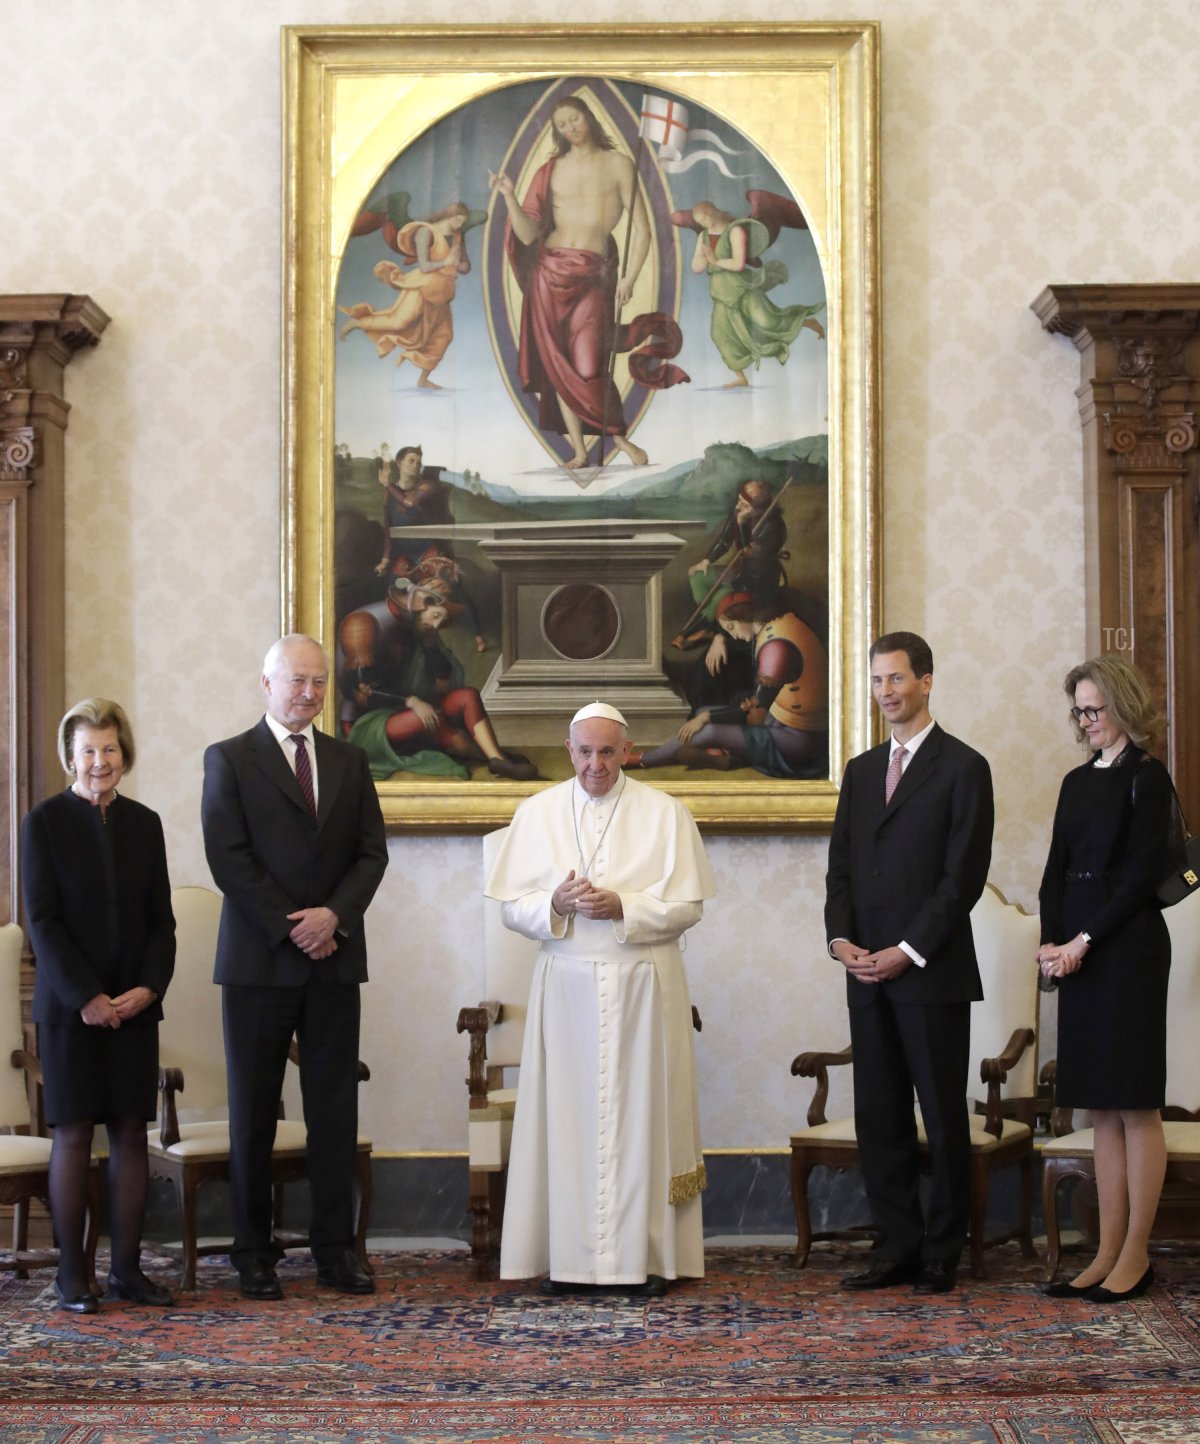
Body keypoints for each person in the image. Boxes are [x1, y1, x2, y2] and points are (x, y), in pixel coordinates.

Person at [486, 701, 715, 1295]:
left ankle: (645, 1259)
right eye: (585, 751)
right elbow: (512, 906)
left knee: (643, 1116)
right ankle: (568, 1260)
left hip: (644, 981)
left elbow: (689, 907)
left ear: (626, 750)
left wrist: (626, 907)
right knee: (565, 1118)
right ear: (569, 750)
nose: (596, 764)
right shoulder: (535, 812)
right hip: (564, 985)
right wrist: (553, 906)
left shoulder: (666, 814)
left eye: (607, 752)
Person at [201, 635, 388, 1301]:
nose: (309, 692)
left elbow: (371, 855)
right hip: (259, 963)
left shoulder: (350, 759)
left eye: (319, 681)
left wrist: (331, 918)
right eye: (297, 681)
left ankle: (336, 1251)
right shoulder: (228, 759)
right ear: (267, 683)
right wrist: (295, 928)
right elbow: (229, 860)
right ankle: (254, 1254)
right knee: (254, 1111)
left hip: (335, 959)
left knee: (333, 1109)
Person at [824, 632, 993, 1294]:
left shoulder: (962, 767)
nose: (886, 692)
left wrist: (907, 951)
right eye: (877, 681)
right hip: (865, 976)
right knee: (880, 1117)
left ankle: (942, 1252)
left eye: (897, 679)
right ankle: (895, 1247)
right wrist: (841, 942)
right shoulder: (862, 772)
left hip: (932, 974)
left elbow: (963, 879)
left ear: (925, 682)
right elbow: (839, 867)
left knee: (944, 1118)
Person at [21, 699, 176, 1314]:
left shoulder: (146, 823)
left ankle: (128, 1272)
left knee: (131, 1132)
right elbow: (44, 922)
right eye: (87, 749)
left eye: (109, 748)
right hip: (70, 1011)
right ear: (70, 757)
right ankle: (72, 1277)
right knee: (75, 1135)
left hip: (135, 1006)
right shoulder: (44, 823)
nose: (99, 761)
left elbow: (162, 923)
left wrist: (149, 988)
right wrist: (86, 997)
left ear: (125, 754)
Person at [1038, 654, 1174, 1303]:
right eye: (1079, 711)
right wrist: (1049, 942)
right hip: (1079, 954)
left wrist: (1081, 943)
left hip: (1129, 951)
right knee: (1100, 1108)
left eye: (1094, 708)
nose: (1086, 720)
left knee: (1134, 1104)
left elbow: (1142, 878)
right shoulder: (1074, 782)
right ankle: (1105, 1252)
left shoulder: (1149, 779)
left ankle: (1137, 1255)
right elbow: (1055, 870)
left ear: (1122, 705)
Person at [490, 95, 687, 469]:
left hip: (593, 277)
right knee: (558, 367)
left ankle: (619, 439)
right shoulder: (549, 170)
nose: (570, 129)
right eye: (561, 124)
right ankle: (580, 451)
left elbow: (643, 230)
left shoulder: (619, 164)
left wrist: (629, 277)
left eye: (574, 120)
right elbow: (529, 235)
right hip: (548, 276)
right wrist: (510, 197)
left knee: (587, 364)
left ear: (589, 118)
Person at [337, 588, 537, 780]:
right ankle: (495, 758)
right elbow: (361, 691)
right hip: (369, 722)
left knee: (468, 696)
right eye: (435, 616)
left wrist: (430, 646)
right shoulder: (364, 624)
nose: (435, 626)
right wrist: (411, 701)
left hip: (408, 709)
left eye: (441, 623)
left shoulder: (419, 634)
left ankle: (496, 758)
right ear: (419, 604)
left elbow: (443, 687)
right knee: (431, 718)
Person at [636, 590, 828, 779]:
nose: (732, 635)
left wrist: (705, 719)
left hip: (799, 742)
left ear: (744, 616)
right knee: (704, 712)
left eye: (731, 628)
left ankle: (642, 759)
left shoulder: (775, 648)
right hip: (779, 721)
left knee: (708, 727)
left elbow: (758, 709)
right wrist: (705, 715)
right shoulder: (778, 624)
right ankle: (726, 757)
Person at [682, 196, 825, 387]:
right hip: (720, 292)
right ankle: (741, 377)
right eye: (699, 223)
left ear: (712, 213)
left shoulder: (735, 231)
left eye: (703, 220)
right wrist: (703, 257)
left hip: (742, 288)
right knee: (720, 335)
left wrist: (714, 261)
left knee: (767, 321)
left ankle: (806, 321)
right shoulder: (704, 237)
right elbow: (697, 267)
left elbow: (738, 264)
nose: (702, 225)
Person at [338, 200, 473, 388]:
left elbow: (465, 266)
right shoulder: (426, 232)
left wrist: (460, 264)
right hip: (422, 287)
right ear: (448, 216)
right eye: (457, 220)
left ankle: (423, 379)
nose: (459, 225)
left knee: (443, 336)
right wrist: (447, 262)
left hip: (442, 292)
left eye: (462, 222)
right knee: (398, 321)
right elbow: (425, 266)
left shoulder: (458, 237)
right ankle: (356, 323)